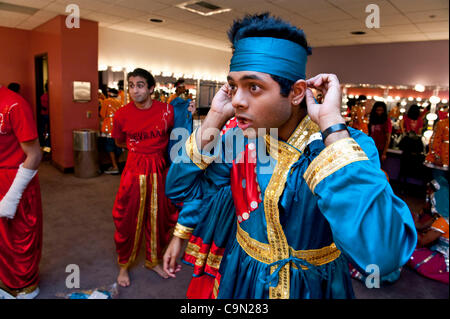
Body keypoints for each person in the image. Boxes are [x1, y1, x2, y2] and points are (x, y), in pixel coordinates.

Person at [162, 13, 417, 299]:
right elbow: (179, 189)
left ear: (296, 93)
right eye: (233, 86)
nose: (236, 100)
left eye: (254, 87)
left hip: (314, 286)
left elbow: (383, 255)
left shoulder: (346, 146)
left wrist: (333, 128)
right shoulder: (239, 139)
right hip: (243, 277)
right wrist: (213, 122)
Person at [111, 68, 194, 287]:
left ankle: (153, 260)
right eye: (130, 85)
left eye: (139, 85)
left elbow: (180, 133)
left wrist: (188, 111)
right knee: (127, 217)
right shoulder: (121, 115)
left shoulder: (167, 111)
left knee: (158, 217)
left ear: (150, 88)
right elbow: (119, 142)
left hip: (160, 168)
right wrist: (139, 150)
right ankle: (124, 265)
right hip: (133, 169)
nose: (134, 90)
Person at [0, 86, 43, 299]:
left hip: (16, 180)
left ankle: (23, 287)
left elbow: (34, 155)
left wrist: (12, 197)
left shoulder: (14, 104)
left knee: (18, 238)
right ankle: (6, 281)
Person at [408, 177, 449, 284]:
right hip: (438, 249)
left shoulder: (444, 221)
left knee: (409, 254)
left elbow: (422, 241)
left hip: (444, 260)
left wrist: (407, 227)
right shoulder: (438, 217)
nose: (428, 193)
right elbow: (420, 226)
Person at [100, 88, 122, 175]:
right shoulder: (120, 101)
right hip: (119, 127)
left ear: (109, 94)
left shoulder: (106, 101)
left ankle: (115, 166)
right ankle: (116, 164)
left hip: (109, 127)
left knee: (109, 147)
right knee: (118, 146)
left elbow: (102, 114)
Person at [40, 82, 50, 147]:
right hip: (48, 115)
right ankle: (47, 146)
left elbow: (43, 106)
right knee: (48, 132)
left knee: (45, 131)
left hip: (43, 115)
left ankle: (46, 146)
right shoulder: (50, 96)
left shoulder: (43, 96)